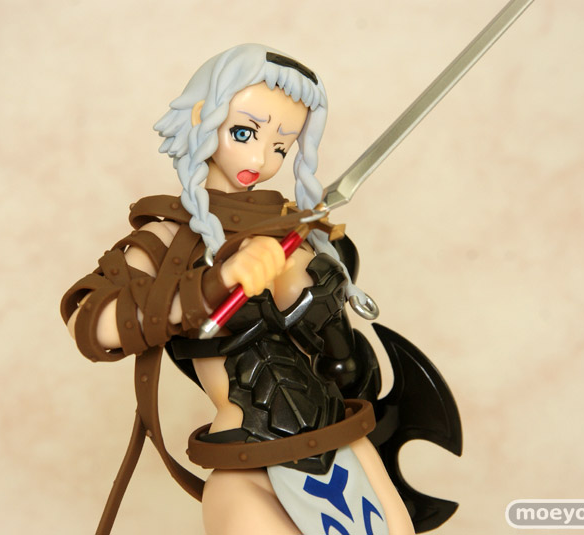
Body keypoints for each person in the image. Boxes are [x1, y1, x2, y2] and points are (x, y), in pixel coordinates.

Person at [61, 43, 415, 535]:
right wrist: (215, 283)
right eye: (244, 132)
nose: (260, 159)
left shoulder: (296, 231)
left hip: (339, 436)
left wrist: (306, 277)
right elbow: (91, 323)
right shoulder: (167, 239)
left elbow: (337, 352)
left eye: (281, 147)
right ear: (202, 117)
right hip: (245, 461)